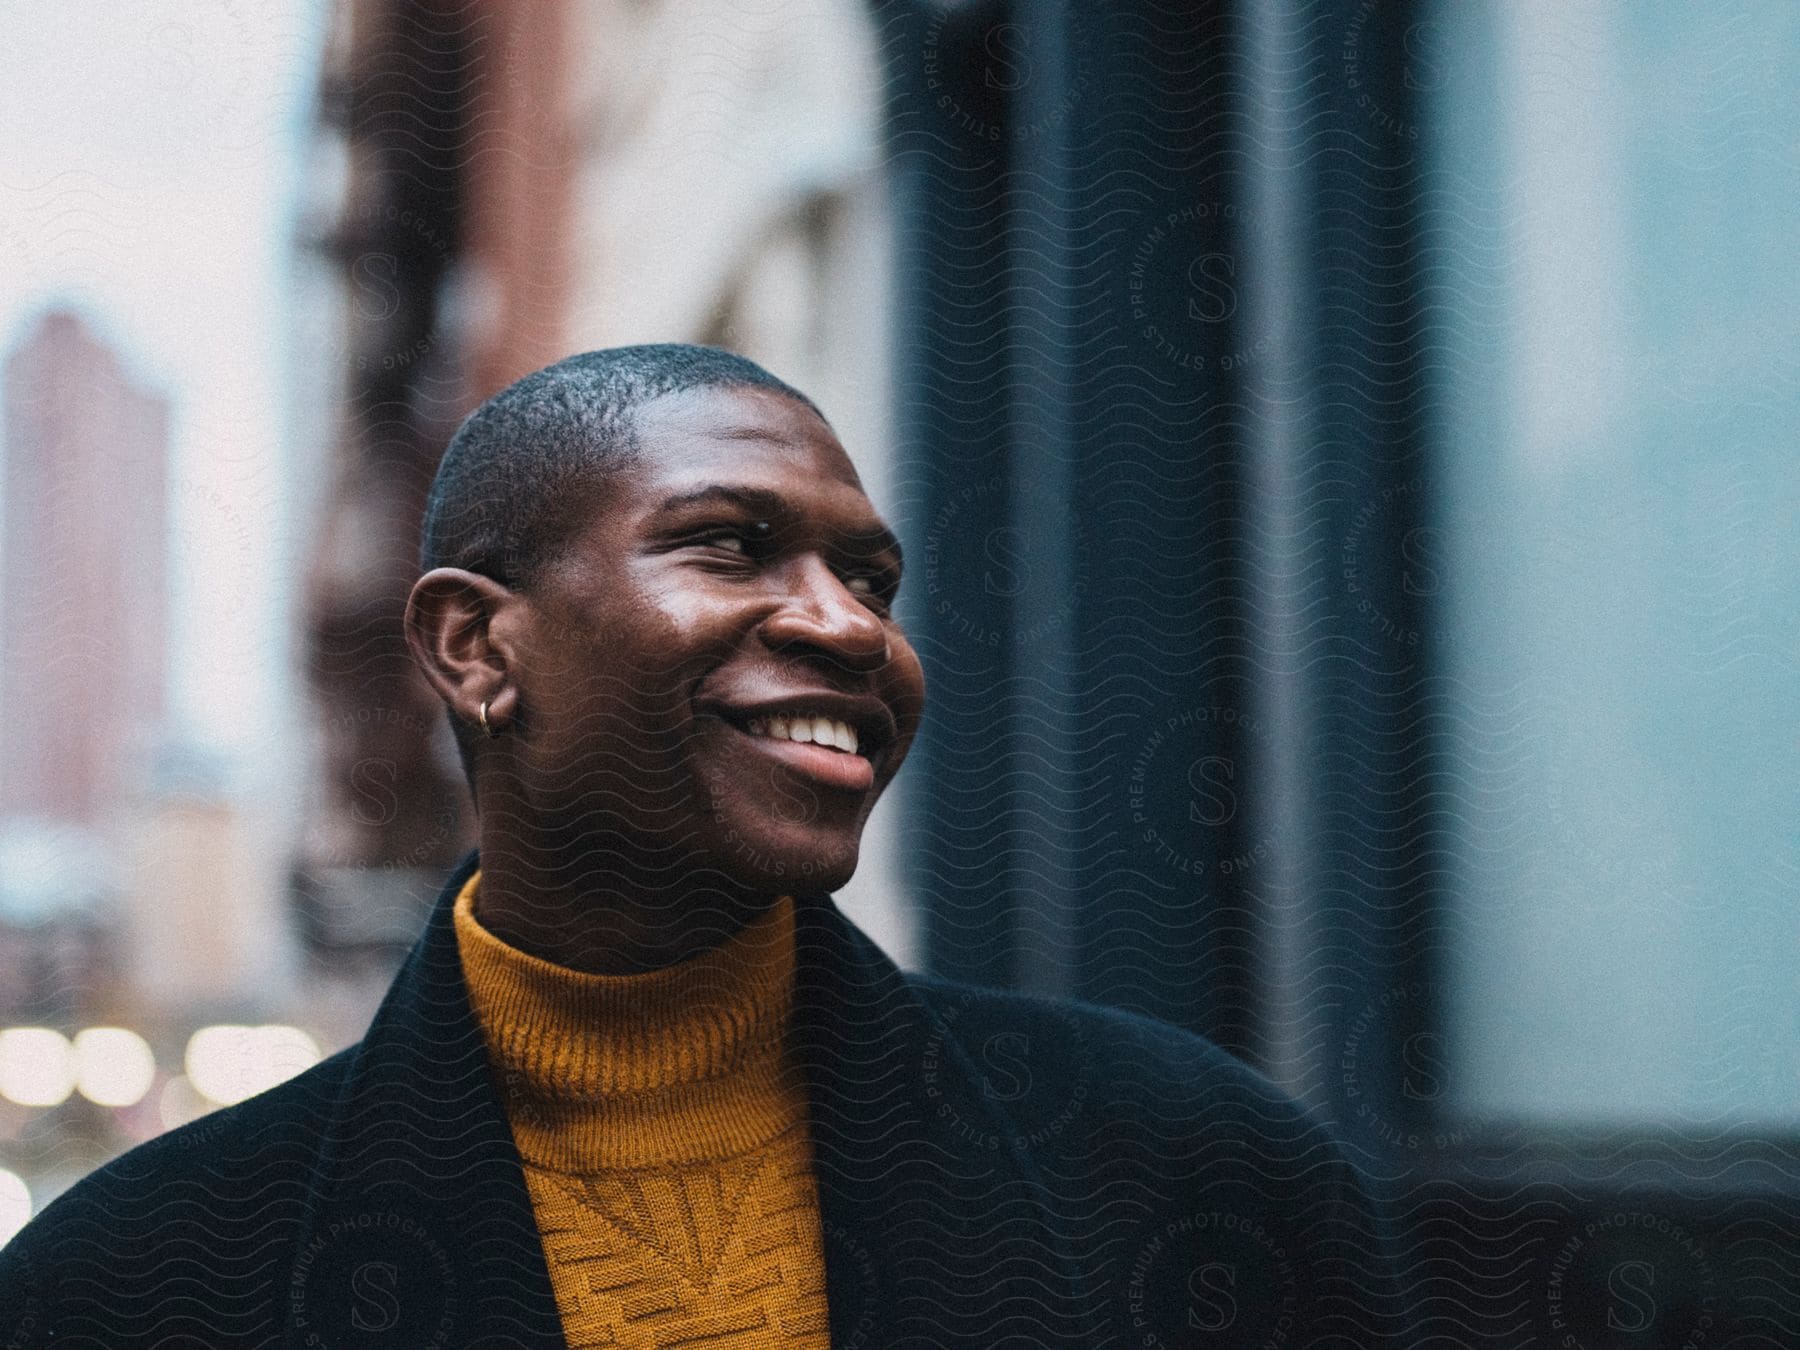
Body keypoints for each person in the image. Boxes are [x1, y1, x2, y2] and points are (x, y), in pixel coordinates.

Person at [0, 345, 1398, 1347]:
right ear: (477, 644)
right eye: (731, 546)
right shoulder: (128, 1282)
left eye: (870, 577)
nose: (852, 626)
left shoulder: (1203, 1173)